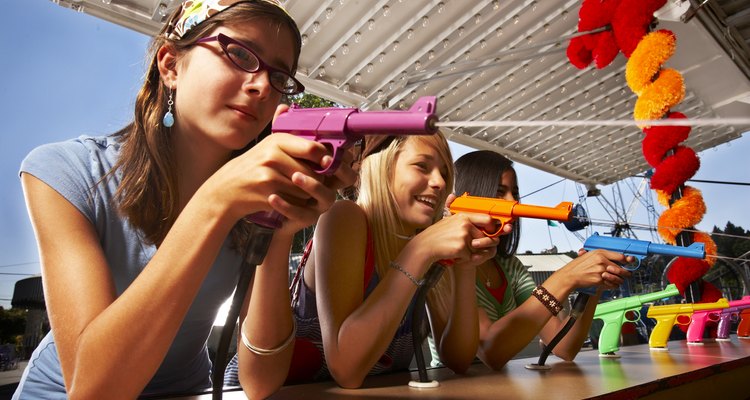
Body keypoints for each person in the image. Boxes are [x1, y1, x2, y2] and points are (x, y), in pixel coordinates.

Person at [13, 1, 355, 399]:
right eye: (240, 54)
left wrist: (278, 232)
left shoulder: (256, 193)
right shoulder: (65, 171)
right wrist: (214, 202)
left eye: (280, 76)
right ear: (171, 65)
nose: (263, 85)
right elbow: (93, 390)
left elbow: (261, 382)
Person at [283, 133, 502, 388]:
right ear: (382, 167)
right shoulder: (345, 217)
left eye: (444, 172)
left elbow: (459, 359)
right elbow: (346, 369)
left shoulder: (427, 243)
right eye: (422, 166)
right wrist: (420, 250)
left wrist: (466, 265)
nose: (440, 182)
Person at [429, 150, 632, 370]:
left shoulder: (509, 267)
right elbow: (489, 350)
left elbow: (564, 347)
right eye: (500, 192)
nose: (512, 201)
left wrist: (594, 283)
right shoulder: (444, 265)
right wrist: (565, 278)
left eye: (514, 193)